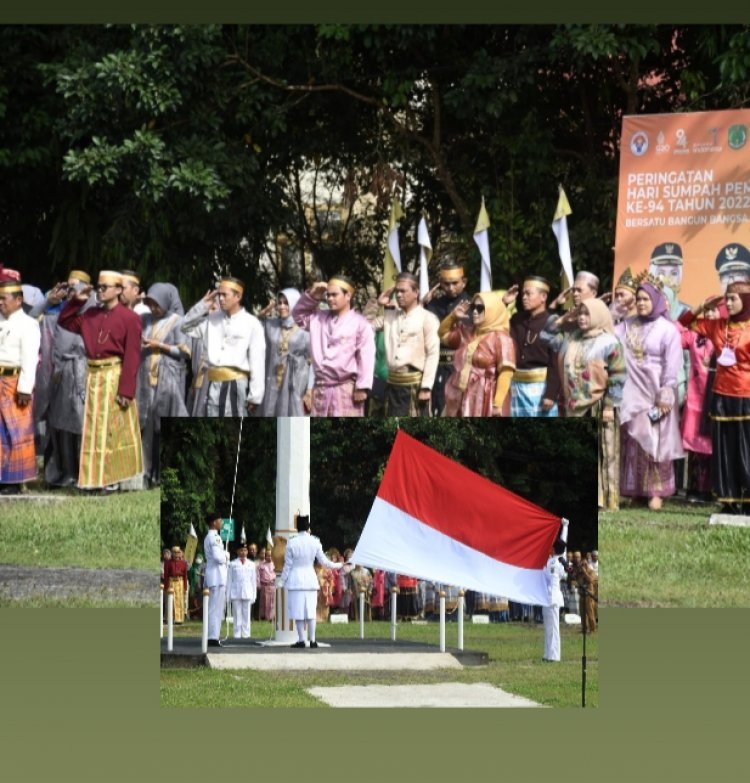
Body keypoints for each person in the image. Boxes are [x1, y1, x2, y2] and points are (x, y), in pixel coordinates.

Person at [57, 270, 144, 491]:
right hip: (93, 376)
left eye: (105, 287)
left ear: (118, 289)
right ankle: (93, 479)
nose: (100, 291)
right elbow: (65, 320)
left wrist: (126, 390)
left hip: (114, 374)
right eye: (99, 287)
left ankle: (110, 480)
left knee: (112, 429)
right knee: (93, 428)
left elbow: (132, 356)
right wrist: (77, 301)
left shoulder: (130, 318)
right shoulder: (90, 315)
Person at [542, 298, 626, 509]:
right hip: (572, 407)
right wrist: (562, 320)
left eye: (587, 314)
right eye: (579, 313)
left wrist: (609, 406)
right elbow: (544, 337)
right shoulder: (570, 339)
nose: (581, 318)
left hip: (598, 407)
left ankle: (606, 501)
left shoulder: (609, 342)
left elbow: (618, 376)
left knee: (604, 453)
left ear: (598, 315)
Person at [679, 281, 750, 513]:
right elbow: (683, 323)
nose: (728, 303)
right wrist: (701, 305)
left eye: (733, 299)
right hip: (720, 396)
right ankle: (729, 502)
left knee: (746, 448)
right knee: (724, 449)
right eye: (726, 298)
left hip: (746, 396)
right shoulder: (717, 326)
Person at [615, 278, 685, 510]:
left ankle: (657, 492)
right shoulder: (628, 324)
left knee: (655, 443)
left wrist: (666, 392)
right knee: (634, 441)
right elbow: (608, 334)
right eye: (639, 299)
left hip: (656, 393)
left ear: (656, 300)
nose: (641, 303)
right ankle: (636, 491)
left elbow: (672, 364)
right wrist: (615, 309)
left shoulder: (668, 329)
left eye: (646, 299)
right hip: (632, 393)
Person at [181, 276, 265, 416]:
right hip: (211, 382)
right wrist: (202, 305)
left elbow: (257, 361)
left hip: (235, 384)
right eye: (219, 294)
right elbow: (184, 327)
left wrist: (255, 396)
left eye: (224, 295)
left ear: (238, 296)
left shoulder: (251, 323)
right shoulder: (211, 320)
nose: (220, 299)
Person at [292, 275, 375, 416]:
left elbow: (366, 357)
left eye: (334, 295)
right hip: (320, 389)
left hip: (346, 389)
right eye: (328, 295)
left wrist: (362, 387)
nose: (329, 299)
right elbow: (298, 315)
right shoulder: (318, 318)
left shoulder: (360, 323)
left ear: (348, 295)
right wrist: (313, 295)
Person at [137, 283, 190, 486]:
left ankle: (161, 474)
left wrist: (158, 345)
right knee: (147, 425)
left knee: (163, 426)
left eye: (156, 304)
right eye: (150, 304)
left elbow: (184, 352)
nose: (153, 309)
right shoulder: (145, 320)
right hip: (146, 379)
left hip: (169, 380)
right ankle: (146, 472)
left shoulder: (178, 322)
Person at [368, 273, 440, 416]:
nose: (399, 295)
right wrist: (376, 304)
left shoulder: (428, 318)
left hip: (415, 385)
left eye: (403, 291)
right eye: (397, 291)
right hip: (391, 384)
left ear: (416, 292)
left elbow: (433, 353)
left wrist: (426, 387)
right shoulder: (390, 316)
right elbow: (363, 329)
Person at [438, 290, 516, 416]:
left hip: (486, 397)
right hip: (459, 395)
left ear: (492, 310)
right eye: (473, 307)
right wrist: (453, 317)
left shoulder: (501, 338)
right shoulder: (467, 332)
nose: (474, 311)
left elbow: (506, 373)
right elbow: (443, 334)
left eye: (480, 308)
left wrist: (497, 404)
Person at [0, 270, 41, 494]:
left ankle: (14, 481)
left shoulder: (28, 324)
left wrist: (25, 388)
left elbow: (29, 359)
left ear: (18, 300)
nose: (0, 303)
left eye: (3, 299)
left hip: (15, 383)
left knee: (15, 433)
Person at [277, 515, 343, 648]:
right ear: (308, 527)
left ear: (297, 528)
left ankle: (302, 640)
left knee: (298, 612)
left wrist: (281, 581)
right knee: (311, 611)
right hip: (310, 579)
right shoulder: (315, 541)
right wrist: (338, 565)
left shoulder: (292, 542)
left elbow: (288, 565)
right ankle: (312, 640)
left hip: (296, 580)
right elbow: (324, 561)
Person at [678, 300, 721, 501]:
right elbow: (676, 330)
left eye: (714, 310)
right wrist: (697, 309)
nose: (710, 314)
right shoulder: (695, 335)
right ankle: (694, 489)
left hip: (718, 397)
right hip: (695, 397)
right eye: (708, 310)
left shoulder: (726, 335)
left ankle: (711, 490)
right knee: (695, 442)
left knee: (713, 443)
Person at [507, 276, 561, 417]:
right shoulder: (516, 320)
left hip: (542, 388)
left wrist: (551, 393)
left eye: (528, 293)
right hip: (517, 387)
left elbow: (556, 361)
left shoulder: (552, 323)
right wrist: (504, 304)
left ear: (543, 297)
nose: (524, 297)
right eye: (523, 294)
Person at [423, 262, 471, 416]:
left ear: (464, 282)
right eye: (446, 284)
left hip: (464, 369)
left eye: (455, 283)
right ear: (440, 283)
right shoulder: (433, 305)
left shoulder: (474, 305)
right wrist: (422, 305)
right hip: (438, 368)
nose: (450, 288)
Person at [256, 288, 313, 416]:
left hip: (296, 384)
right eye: (279, 303)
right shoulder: (271, 325)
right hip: (273, 381)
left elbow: (314, 363)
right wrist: (264, 312)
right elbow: (252, 327)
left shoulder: (306, 330)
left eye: (286, 303)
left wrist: (310, 390)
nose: (282, 306)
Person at [543, 519, 569, 662]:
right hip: (546, 597)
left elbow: (564, 543)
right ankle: (547, 654)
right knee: (547, 628)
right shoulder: (549, 560)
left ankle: (554, 656)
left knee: (554, 628)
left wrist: (565, 527)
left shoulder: (560, 560)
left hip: (554, 597)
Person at [203, 512, 229, 646]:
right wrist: (226, 556)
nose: (222, 522)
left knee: (216, 608)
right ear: (214, 522)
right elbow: (218, 558)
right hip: (216, 576)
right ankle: (212, 637)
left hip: (215, 575)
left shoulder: (212, 537)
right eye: (220, 520)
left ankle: (213, 635)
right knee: (215, 608)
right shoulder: (215, 538)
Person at [228, 543, 257, 639]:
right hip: (236, 592)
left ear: (247, 552)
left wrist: (254, 595)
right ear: (237, 551)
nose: (243, 552)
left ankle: (246, 634)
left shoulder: (251, 564)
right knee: (237, 614)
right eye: (241, 550)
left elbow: (253, 581)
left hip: (247, 591)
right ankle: (237, 634)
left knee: (246, 614)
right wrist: (228, 595)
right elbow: (229, 580)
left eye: (245, 550)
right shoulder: (232, 564)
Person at [164, 546, 188, 624]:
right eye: (175, 552)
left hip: (180, 583)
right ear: (172, 553)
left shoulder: (184, 563)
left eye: (178, 552)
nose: (176, 554)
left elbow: (185, 575)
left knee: (180, 601)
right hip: (171, 583)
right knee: (171, 601)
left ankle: (179, 619)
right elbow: (166, 575)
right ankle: (170, 618)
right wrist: (166, 587)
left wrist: (185, 587)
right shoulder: (168, 563)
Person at [256, 547, 276, 621]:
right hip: (264, 586)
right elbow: (257, 576)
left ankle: (271, 617)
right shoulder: (261, 565)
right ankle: (263, 616)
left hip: (273, 586)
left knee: (272, 602)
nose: (269, 557)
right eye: (267, 555)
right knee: (264, 602)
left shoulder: (275, 564)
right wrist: (258, 584)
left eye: (270, 555)